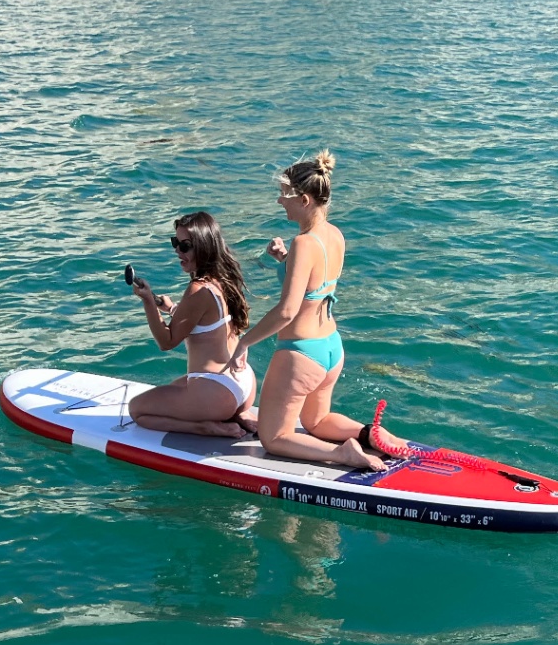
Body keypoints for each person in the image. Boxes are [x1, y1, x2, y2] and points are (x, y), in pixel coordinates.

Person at [230, 151, 386, 471]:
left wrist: (244, 342)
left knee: (274, 437)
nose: (279, 201)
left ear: (304, 200)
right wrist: (284, 259)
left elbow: (287, 311)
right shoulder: (334, 235)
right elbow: (317, 281)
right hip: (330, 346)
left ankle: (343, 454)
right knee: (316, 420)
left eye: (284, 194)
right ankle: (369, 435)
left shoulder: (303, 243)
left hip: (301, 353)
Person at [125, 211, 256, 437]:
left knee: (137, 410)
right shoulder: (223, 280)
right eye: (175, 243)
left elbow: (166, 342)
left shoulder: (198, 289)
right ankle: (239, 414)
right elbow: (207, 321)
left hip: (216, 393)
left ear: (203, 247)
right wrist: (172, 309)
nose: (178, 251)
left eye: (185, 246)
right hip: (243, 383)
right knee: (177, 387)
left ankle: (205, 427)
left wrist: (148, 301)